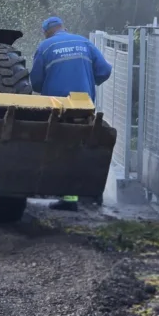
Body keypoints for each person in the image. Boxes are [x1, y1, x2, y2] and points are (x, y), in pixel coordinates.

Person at [29, 16, 113, 212]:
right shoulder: (84, 42)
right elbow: (105, 70)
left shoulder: (45, 47)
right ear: (63, 27)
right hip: (83, 104)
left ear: (47, 32)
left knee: (61, 149)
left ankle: (68, 197)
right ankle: (93, 193)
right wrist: (90, 81)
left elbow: (36, 82)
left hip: (57, 107)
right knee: (84, 146)